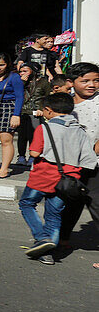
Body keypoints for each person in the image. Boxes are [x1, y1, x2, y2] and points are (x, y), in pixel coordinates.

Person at [19, 92, 97, 265]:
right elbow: (89, 159)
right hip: (67, 181)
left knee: (26, 203)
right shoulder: (80, 130)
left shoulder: (44, 128)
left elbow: (34, 152)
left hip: (43, 176)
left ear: (48, 110)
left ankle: (41, 238)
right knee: (54, 214)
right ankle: (48, 252)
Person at [58, 62, 99, 249]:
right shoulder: (65, 104)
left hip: (95, 163)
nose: (92, 85)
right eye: (85, 81)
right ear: (71, 82)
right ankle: (63, 239)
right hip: (71, 163)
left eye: (96, 81)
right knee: (72, 201)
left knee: (96, 203)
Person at [16, 63, 50, 164]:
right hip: (22, 111)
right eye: (21, 71)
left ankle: (33, 156)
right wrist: (22, 82)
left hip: (36, 112)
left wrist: (42, 109)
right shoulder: (19, 82)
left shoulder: (43, 82)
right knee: (22, 136)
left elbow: (47, 97)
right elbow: (15, 94)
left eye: (25, 71)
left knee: (33, 135)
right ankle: (21, 156)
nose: (22, 73)